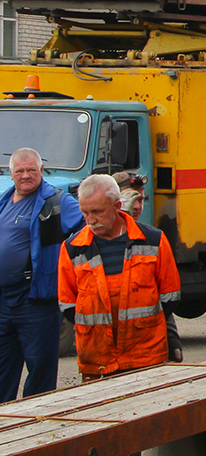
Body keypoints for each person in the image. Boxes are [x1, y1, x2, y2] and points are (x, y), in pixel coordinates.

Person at [59, 174, 182, 380]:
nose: (91, 220)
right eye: (85, 213)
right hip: (96, 362)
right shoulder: (72, 250)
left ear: (117, 206)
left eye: (97, 212)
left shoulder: (153, 241)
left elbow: (170, 297)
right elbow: (68, 305)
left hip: (145, 359)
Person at [0, 148, 82, 401]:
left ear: (41, 172)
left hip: (36, 300)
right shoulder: (4, 200)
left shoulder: (58, 202)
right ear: (10, 174)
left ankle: (38, 425)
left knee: (40, 367)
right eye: (20, 171)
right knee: (2, 368)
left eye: (31, 170)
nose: (26, 175)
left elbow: (86, 231)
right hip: (4, 300)